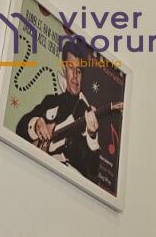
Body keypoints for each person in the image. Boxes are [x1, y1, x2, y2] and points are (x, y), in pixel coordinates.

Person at [15, 43, 101, 180]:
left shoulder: (87, 114)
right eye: (71, 68)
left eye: (79, 71)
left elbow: (93, 171)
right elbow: (20, 127)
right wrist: (36, 125)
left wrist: (92, 136)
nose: (75, 76)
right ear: (64, 69)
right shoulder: (51, 101)